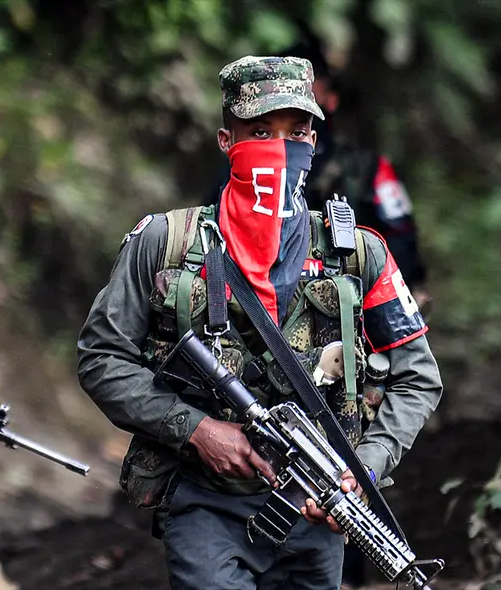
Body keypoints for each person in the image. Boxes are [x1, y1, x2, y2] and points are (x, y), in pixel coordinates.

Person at [77, 55, 442, 589]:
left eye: (296, 133)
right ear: (227, 140)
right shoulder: (166, 243)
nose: (280, 148)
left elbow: (417, 377)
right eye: (261, 131)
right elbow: (100, 357)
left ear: (314, 143)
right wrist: (197, 429)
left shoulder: (356, 254)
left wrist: (362, 469)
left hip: (317, 507)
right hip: (205, 503)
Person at [202, 39, 432, 313]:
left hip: (349, 305)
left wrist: (391, 298)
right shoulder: (241, 164)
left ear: (330, 99)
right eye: (262, 131)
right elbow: (212, 228)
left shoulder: (365, 169)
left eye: (296, 131)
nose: (287, 90)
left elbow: (401, 234)